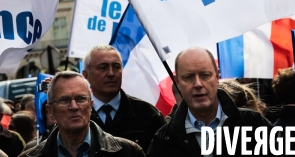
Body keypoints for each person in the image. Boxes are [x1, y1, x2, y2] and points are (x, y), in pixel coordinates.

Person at [147, 47, 275, 157]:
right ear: (177, 82)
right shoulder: (163, 141)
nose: (198, 84)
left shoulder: (253, 123)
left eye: (205, 75)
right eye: (188, 77)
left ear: (217, 77)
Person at [19, 71, 145, 157]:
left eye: (81, 99)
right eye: (64, 100)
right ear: (50, 111)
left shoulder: (128, 152)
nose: (74, 107)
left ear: (91, 106)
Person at [82, 45, 164, 151]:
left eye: (116, 67)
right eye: (103, 67)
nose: (111, 73)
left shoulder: (148, 114)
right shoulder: (77, 114)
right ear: (86, 75)